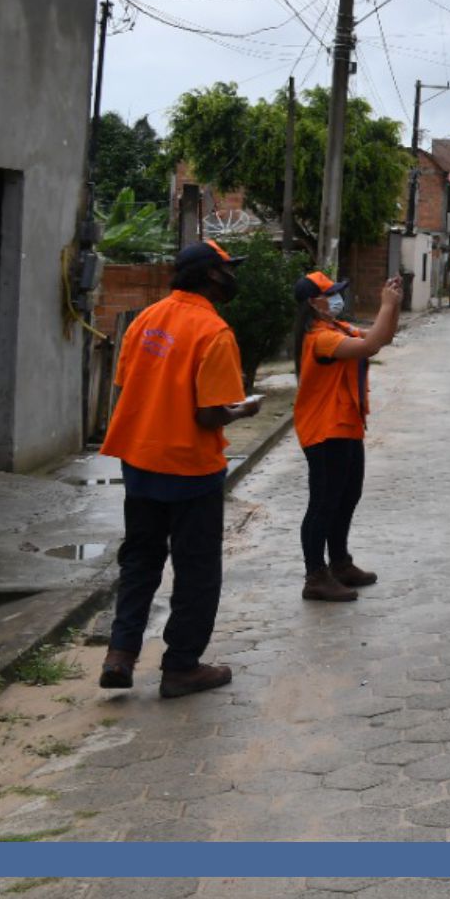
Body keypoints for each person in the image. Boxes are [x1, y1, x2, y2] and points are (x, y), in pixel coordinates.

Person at [97, 241, 261, 699]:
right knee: (196, 572)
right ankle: (181, 666)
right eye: (229, 270)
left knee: (140, 561)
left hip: (141, 462)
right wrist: (243, 411)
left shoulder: (146, 319)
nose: (233, 277)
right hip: (190, 469)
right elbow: (210, 414)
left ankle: (121, 653)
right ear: (212, 275)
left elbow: (129, 384)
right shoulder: (214, 331)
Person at [292, 271, 402, 601]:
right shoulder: (319, 339)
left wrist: (393, 306)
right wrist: (385, 304)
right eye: (332, 294)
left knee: (346, 498)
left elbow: (381, 339)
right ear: (314, 303)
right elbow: (369, 346)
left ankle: (339, 563)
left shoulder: (335, 328)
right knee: (323, 504)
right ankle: (315, 576)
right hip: (325, 432)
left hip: (346, 426)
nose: (339, 298)